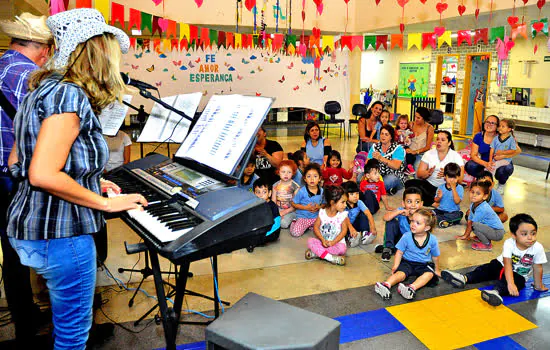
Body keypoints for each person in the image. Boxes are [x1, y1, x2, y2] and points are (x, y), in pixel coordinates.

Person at [6, 9, 148, 349]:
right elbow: (41, 173)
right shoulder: (70, 95)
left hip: (31, 226)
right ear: (98, 51)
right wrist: (104, 203)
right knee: (72, 338)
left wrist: (88, 181)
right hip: (63, 234)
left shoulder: (41, 87)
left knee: (64, 323)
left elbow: (17, 161)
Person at [0, 12, 53, 347]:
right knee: (49, 248)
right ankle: (59, 328)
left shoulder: (2, 65)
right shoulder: (28, 75)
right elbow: (48, 130)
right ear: (43, 49)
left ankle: (25, 321)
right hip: (17, 177)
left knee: (12, 255)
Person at [442, 213, 547, 307]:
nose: (530, 238)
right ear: (514, 235)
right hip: (501, 265)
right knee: (486, 269)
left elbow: (538, 268)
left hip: (517, 274)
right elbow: (507, 264)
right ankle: (464, 278)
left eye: (533, 233)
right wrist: (510, 283)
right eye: (524, 234)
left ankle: (495, 292)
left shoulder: (537, 248)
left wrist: (538, 286)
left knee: (518, 282)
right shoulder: (509, 243)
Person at [374, 209, 440, 300]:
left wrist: (437, 269)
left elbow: (435, 256)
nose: (413, 224)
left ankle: (411, 288)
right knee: (400, 274)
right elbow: (399, 252)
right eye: (412, 221)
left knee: (429, 274)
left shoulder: (432, 240)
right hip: (407, 262)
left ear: (427, 228)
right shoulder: (406, 236)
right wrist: (395, 266)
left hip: (423, 264)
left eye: (418, 223)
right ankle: (386, 285)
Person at [405, 130, 464, 206]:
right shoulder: (429, 153)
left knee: (454, 193)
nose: (439, 142)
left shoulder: (456, 156)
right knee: (409, 183)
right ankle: (433, 203)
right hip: (431, 186)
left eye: (443, 140)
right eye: (437, 139)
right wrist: (427, 173)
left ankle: (432, 201)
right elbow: (419, 174)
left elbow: (460, 179)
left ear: (449, 143)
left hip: (447, 188)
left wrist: (447, 174)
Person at [376, 187, 424, 262]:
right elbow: (385, 218)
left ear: (421, 204)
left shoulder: (423, 216)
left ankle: (394, 249)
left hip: (413, 242)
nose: (413, 205)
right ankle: (388, 248)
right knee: (391, 221)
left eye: (417, 202)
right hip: (400, 238)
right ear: (403, 203)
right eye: (409, 201)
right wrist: (398, 212)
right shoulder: (401, 211)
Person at [304, 185, 348, 266]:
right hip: (323, 242)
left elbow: (344, 231)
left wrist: (333, 242)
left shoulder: (342, 215)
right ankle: (331, 258)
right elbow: (316, 227)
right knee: (310, 241)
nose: (345, 205)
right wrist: (322, 240)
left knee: (342, 249)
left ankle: (317, 254)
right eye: (343, 202)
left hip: (336, 244)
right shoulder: (322, 212)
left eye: (346, 202)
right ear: (332, 202)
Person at [456, 180, 504, 251]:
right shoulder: (474, 204)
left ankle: (487, 244)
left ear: (485, 196)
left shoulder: (482, 208)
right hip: (491, 230)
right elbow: (469, 219)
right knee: (474, 225)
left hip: (497, 233)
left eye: (478, 193)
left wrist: (466, 235)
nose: (474, 195)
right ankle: (482, 238)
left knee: (474, 226)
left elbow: (472, 223)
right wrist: (466, 235)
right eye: (472, 192)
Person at [367, 124, 407, 195]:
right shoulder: (375, 146)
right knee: (360, 176)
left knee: (390, 179)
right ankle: (375, 190)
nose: (383, 136)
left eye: (386, 134)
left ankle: (372, 190)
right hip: (377, 174)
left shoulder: (398, 148)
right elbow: (367, 163)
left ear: (391, 137)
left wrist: (381, 158)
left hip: (393, 175)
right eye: (382, 134)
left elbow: (396, 166)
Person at [290, 163, 324, 237]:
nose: (312, 179)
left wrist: (319, 207)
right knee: (295, 233)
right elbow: (293, 203)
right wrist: (306, 208)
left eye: (315, 176)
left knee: (326, 231)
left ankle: (310, 226)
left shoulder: (322, 191)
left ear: (319, 178)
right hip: (303, 217)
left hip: (316, 218)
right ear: (305, 179)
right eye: (309, 176)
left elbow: (325, 204)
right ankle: (294, 222)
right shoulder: (302, 191)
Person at [489, 119, 520, 194]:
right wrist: (490, 160)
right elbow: (492, 149)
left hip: (506, 160)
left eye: (503, 126)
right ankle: (489, 182)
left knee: (494, 167)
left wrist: (502, 153)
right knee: (490, 166)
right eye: (499, 126)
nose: (500, 128)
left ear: (509, 129)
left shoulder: (511, 139)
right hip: (495, 159)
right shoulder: (496, 138)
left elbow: (514, 150)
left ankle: (500, 184)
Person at [342, 181, 377, 248]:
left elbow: (368, 214)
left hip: (355, 225)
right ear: (345, 195)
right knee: (343, 222)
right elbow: (344, 218)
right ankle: (351, 237)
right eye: (352, 194)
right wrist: (351, 229)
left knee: (363, 215)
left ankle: (365, 234)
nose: (355, 196)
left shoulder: (359, 202)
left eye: (357, 193)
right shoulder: (343, 204)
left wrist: (373, 227)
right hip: (346, 226)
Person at [464, 114, 500, 179]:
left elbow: (516, 150)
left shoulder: (501, 137)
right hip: (483, 162)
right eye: (487, 122)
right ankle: (482, 179)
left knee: (506, 168)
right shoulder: (478, 136)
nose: (489, 124)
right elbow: (473, 155)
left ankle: (501, 183)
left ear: (497, 126)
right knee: (470, 165)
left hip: (497, 163)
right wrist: (485, 164)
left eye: (492, 123)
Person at [432, 162, 464, 228]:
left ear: (458, 177)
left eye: (454, 178)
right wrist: (439, 197)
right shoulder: (441, 187)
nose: (452, 180)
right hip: (440, 210)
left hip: (453, 212)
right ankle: (445, 221)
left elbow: (457, 201)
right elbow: (436, 200)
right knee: (430, 213)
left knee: (459, 215)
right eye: (449, 177)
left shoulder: (460, 188)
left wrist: (454, 189)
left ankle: (440, 219)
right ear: (445, 176)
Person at [272, 160, 300, 229]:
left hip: (291, 210)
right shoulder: (275, 185)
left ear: (293, 173)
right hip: (278, 209)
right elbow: (273, 202)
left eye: (289, 172)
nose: (286, 174)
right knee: (268, 220)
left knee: (283, 224)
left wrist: (284, 212)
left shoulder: (296, 187)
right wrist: (276, 213)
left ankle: (294, 220)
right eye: (283, 172)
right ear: (278, 172)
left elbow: (296, 205)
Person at [253, 178, 281, 243]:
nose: (261, 195)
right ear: (254, 193)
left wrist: (266, 234)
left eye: (264, 192)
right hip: (261, 228)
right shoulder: (254, 205)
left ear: (269, 193)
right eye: (258, 192)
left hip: (272, 231)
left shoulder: (272, 206)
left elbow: (277, 223)